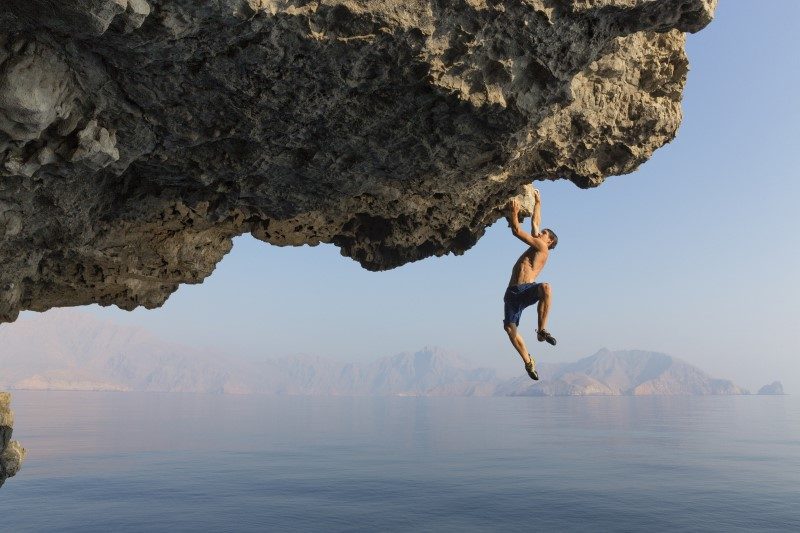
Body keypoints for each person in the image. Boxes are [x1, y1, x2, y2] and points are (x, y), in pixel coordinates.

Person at [503, 189, 558, 381]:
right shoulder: (537, 244)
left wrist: (514, 213)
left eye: (543, 234)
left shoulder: (542, 247)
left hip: (527, 289)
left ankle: (542, 330)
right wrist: (538, 202)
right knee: (510, 330)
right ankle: (528, 362)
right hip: (512, 293)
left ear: (549, 241)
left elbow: (517, 231)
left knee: (546, 287)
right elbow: (536, 223)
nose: (539, 232)